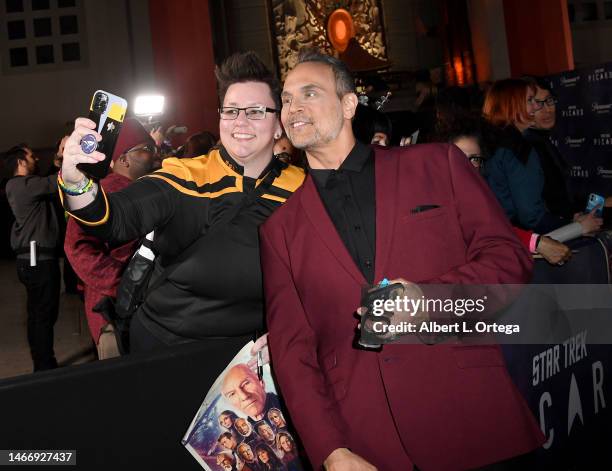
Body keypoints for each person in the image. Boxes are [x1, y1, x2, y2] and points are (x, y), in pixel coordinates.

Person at [260, 50, 545, 470]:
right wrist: (331, 451)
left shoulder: (437, 163)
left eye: (309, 93)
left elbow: (508, 258)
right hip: (369, 445)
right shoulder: (278, 230)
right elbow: (292, 354)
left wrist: (431, 302)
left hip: (472, 416)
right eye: (285, 98)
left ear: (348, 104)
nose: (292, 107)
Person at [58, 51, 304, 365]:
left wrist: (295, 329)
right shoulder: (185, 175)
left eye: (255, 111)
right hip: (167, 349)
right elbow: (112, 219)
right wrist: (75, 177)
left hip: (252, 357)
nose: (240, 121)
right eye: (230, 111)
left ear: (279, 124)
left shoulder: (302, 190)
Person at [64, 119, 159, 359]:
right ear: (124, 159)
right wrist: (124, 284)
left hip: (147, 308)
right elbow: (77, 247)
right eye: (147, 149)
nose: (156, 156)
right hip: (114, 315)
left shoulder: (151, 190)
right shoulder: (102, 193)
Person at [483, 79, 602, 236]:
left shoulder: (491, 141)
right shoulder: (518, 147)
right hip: (521, 243)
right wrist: (576, 227)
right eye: (530, 100)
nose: (537, 106)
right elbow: (530, 217)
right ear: (511, 104)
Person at [4, 145, 62, 371]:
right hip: (38, 261)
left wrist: (57, 160)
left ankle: (42, 362)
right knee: (43, 316)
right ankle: (45, 366)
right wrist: (67, 155)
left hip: (31, 260)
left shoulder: (21, 186)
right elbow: (55, 182)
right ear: (20, 161)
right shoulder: (22, 186)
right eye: (30, 156)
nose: (35, 158)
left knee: (38, 315)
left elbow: (46, 179)